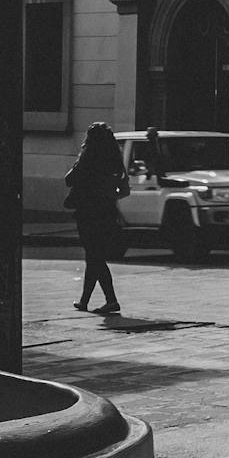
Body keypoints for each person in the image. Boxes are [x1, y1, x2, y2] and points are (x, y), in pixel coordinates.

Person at [65, 121, 128, 316]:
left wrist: (78, 161)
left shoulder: (89, 158)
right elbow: (120, 188)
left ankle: (111, 300)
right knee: (94, 256)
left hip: (88, 212)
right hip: (107, 212)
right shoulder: (114, 160)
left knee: (94, 257)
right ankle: (84, 301)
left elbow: (70, 179)